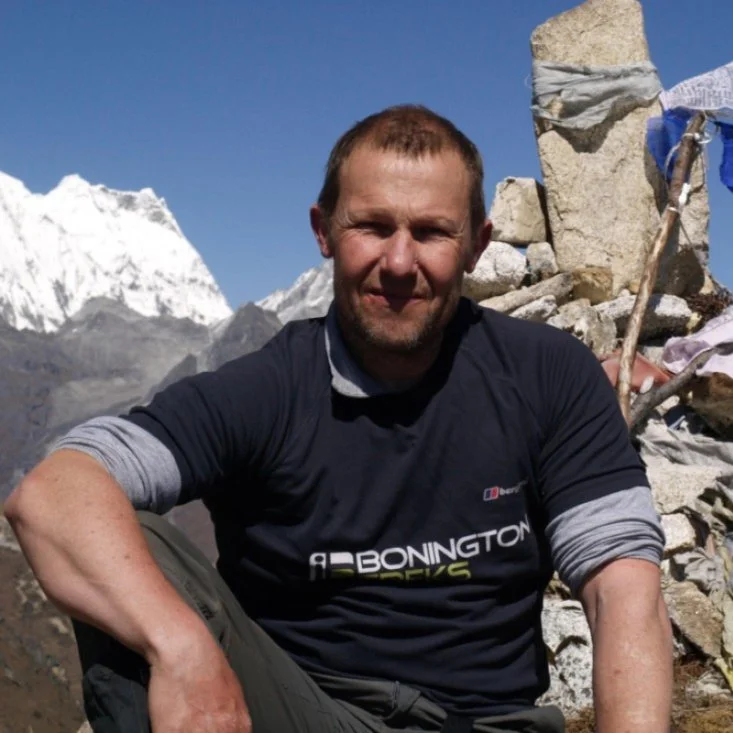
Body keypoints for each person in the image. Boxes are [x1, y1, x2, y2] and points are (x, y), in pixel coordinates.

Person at [6, 105, 672, 733]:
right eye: (373, 226)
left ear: (476, 244)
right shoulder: (267, 388)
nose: (400, 262)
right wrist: (179, 645)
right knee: (128, 541)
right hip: (307, 710)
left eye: (432, 231)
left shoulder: (546, 374)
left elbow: (622, 587)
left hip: (488, 721)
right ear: (323, 231)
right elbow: (54, 494)